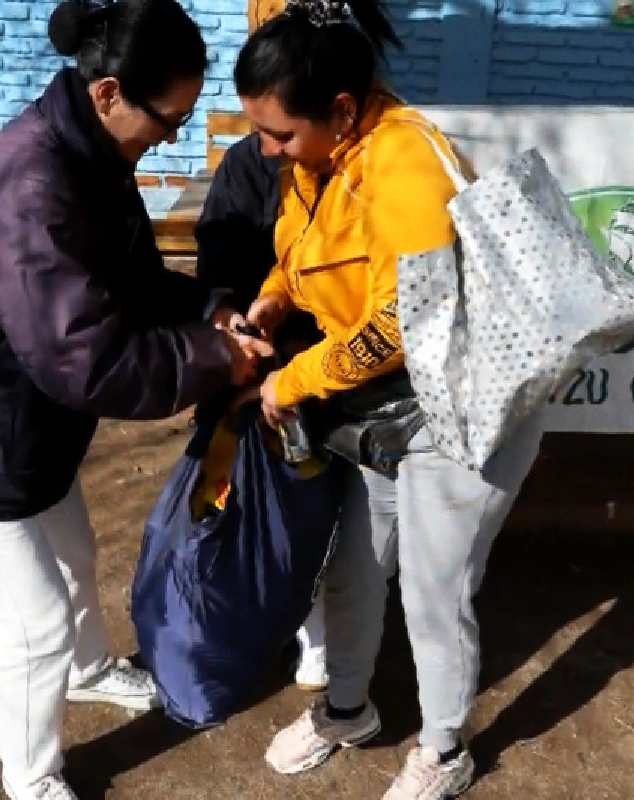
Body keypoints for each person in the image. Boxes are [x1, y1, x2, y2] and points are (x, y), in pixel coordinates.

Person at [0, 0, 268, 797]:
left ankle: (88, 671)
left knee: (76, 560)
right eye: (171, 118)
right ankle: (30, 780)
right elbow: (83, 358)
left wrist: (206, 310)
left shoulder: (93, 157)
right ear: (108, 94)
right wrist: (217, 359)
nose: (175, 137)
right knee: (35, 622)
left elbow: (126, 281)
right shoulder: (32, 186)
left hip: (24, 429)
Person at [232, 0, 547, 797]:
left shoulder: (402, 161)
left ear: (341, 111)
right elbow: (308, 253)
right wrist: (275, 298)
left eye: (277, 133)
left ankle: (445, 751)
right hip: (383, 410)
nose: (265, 150)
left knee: (435, 589)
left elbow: (406, 320)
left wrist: (294, 379)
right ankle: (347, 709)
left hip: (463, 407)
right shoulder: (321, 158)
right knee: (355, 568)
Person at [193, 131, 330, 692]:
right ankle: (243, 614)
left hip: (322, 365)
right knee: (228, 496)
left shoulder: (360, 169)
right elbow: (217, 262)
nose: (272, 147)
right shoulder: (248, 163)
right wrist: (234, 324)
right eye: (263, 131)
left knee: (314, 501)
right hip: (248, 361)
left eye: (282, 129)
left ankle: (315, 634)